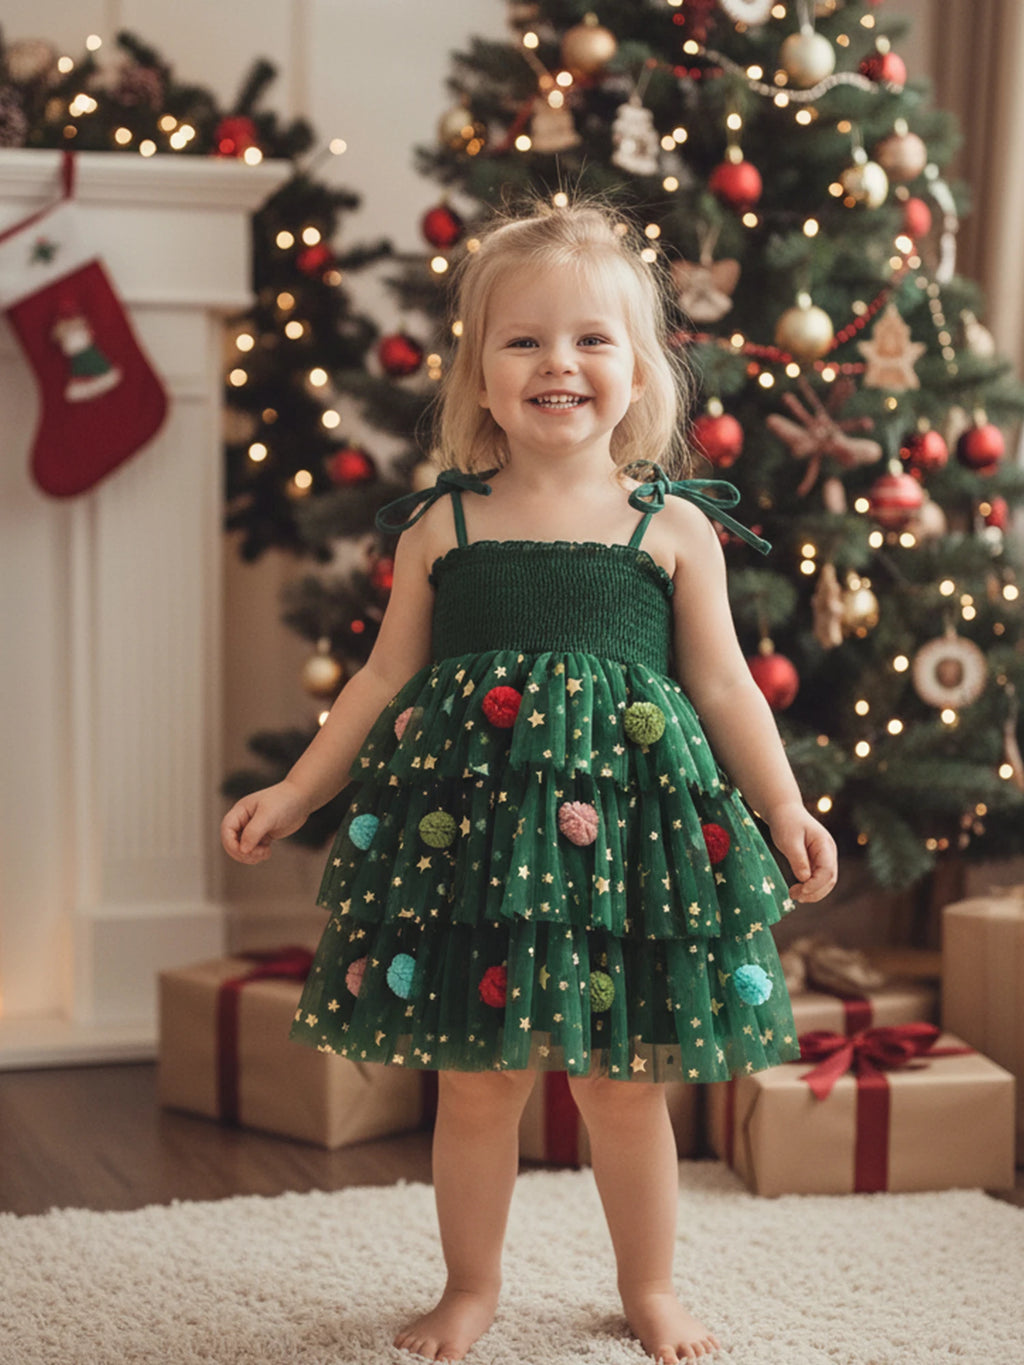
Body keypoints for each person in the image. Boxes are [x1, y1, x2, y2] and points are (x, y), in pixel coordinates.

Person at [221, 198, 838, 1364]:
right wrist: (298, 793)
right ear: (479, 373)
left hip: (625, 861)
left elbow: (724, 689)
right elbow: (378, 681)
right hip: (475, 859)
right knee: (476, 1086)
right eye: (525, 341)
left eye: (592, 340)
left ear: (641, 368)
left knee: (620, 1091)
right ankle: (470, 1289)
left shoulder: (671, 529)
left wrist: (785, 804)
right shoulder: (441, 526)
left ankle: (648, 1287)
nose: (559, 363)